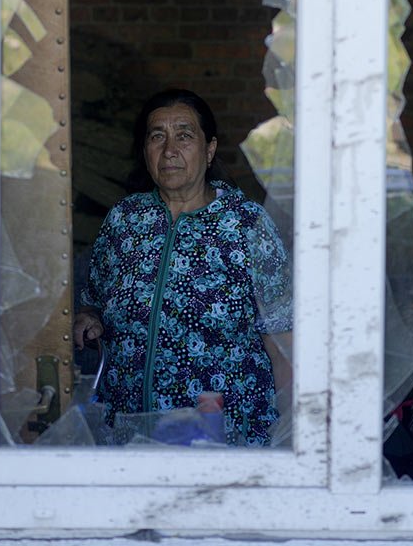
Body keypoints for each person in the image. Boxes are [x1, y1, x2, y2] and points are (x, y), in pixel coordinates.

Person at [73, 88, 292, 445]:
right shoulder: (125, 220)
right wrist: (89, 316)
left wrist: (291, 436)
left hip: (222, 438)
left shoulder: (246, 225)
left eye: (184, 136)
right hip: (130, 434)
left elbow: (283, 338)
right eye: (157, 136)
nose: (169, 149)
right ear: (145, 151)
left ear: (209, 150)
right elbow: (94, 299)